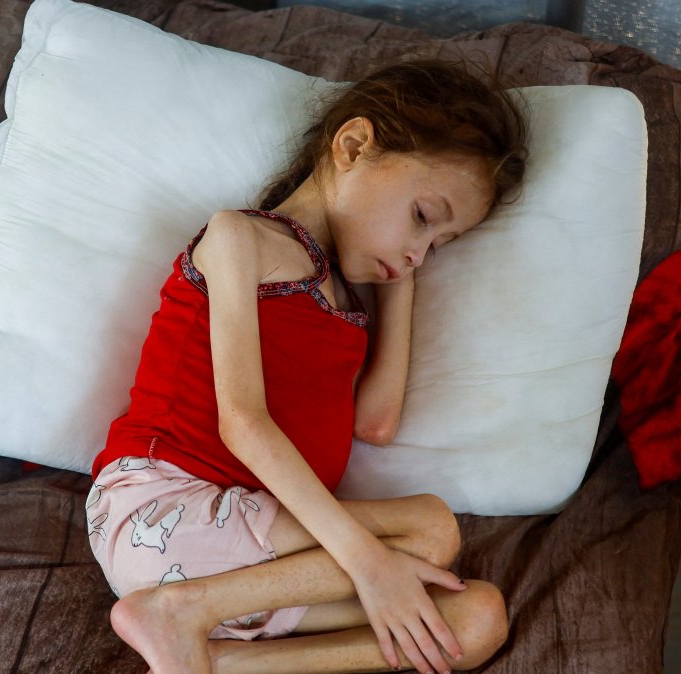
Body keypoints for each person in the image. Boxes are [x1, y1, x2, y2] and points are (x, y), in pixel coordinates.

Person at [85, 58, 528, 674]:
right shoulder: (238, 238)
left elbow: (375, 423)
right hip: (161, 513)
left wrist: (398, 280)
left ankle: (206, 653)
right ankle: (179, 611)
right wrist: (368, 562)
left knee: (477, 619)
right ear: (352, 145)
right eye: (422, 218)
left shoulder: (345, 307)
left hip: (245, 560)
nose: (419, 252)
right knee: (430, 529)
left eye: (439, 245)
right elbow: (242, 422)